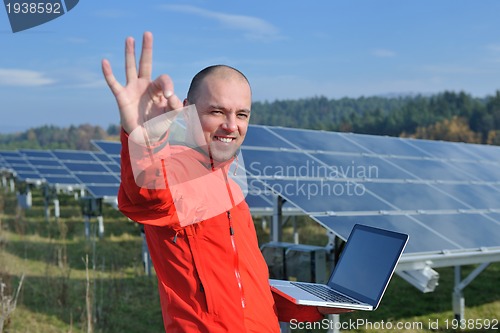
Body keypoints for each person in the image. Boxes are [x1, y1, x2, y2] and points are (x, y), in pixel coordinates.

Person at [102, 31, 348, 333]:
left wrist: (315, 308)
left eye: (241, 114)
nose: (231, 125)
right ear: (187, 109)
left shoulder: (231, 183)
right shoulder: (173, 173)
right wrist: (144, 139)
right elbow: (144, 199)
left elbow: (246, 291)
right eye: (217, 111)